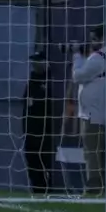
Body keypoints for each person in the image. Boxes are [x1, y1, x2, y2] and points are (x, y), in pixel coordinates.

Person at [74, 33, 106, 196]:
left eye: (95, 38)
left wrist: (76, 56)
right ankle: (103, 186)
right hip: (99, 113)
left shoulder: (98, 57)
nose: (92, 42)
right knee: (99, 152)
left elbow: (77, 76)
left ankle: (94, 187)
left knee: (92, 152)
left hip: (92, 114)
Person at [23, 50, 59, 195]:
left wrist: (35, 102)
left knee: (46, 161)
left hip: (46, 130)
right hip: (31, 129)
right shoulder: (32, 80)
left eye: (38, 60)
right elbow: (27, 103)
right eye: (33, 61)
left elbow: (42, 102)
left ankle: (48, 189)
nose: (34, 64)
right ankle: (37, 190)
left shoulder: (52, 79)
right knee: (32, 161)